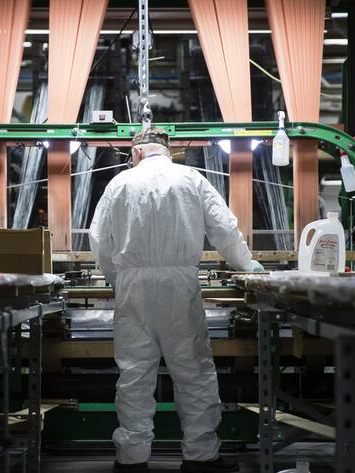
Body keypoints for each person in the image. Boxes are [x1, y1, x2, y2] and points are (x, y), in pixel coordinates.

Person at [89, 127, 265, 473]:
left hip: (132, 287)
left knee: (135, 373)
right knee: (193, 371)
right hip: (180, 285)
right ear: (168, 152)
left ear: (136, 153)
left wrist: (116, 278)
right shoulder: (191, 178)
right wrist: (249, 266)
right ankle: (200, 457)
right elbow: (224, 229)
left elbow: (99, 239)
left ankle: (131, 460)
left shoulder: (120, 184)